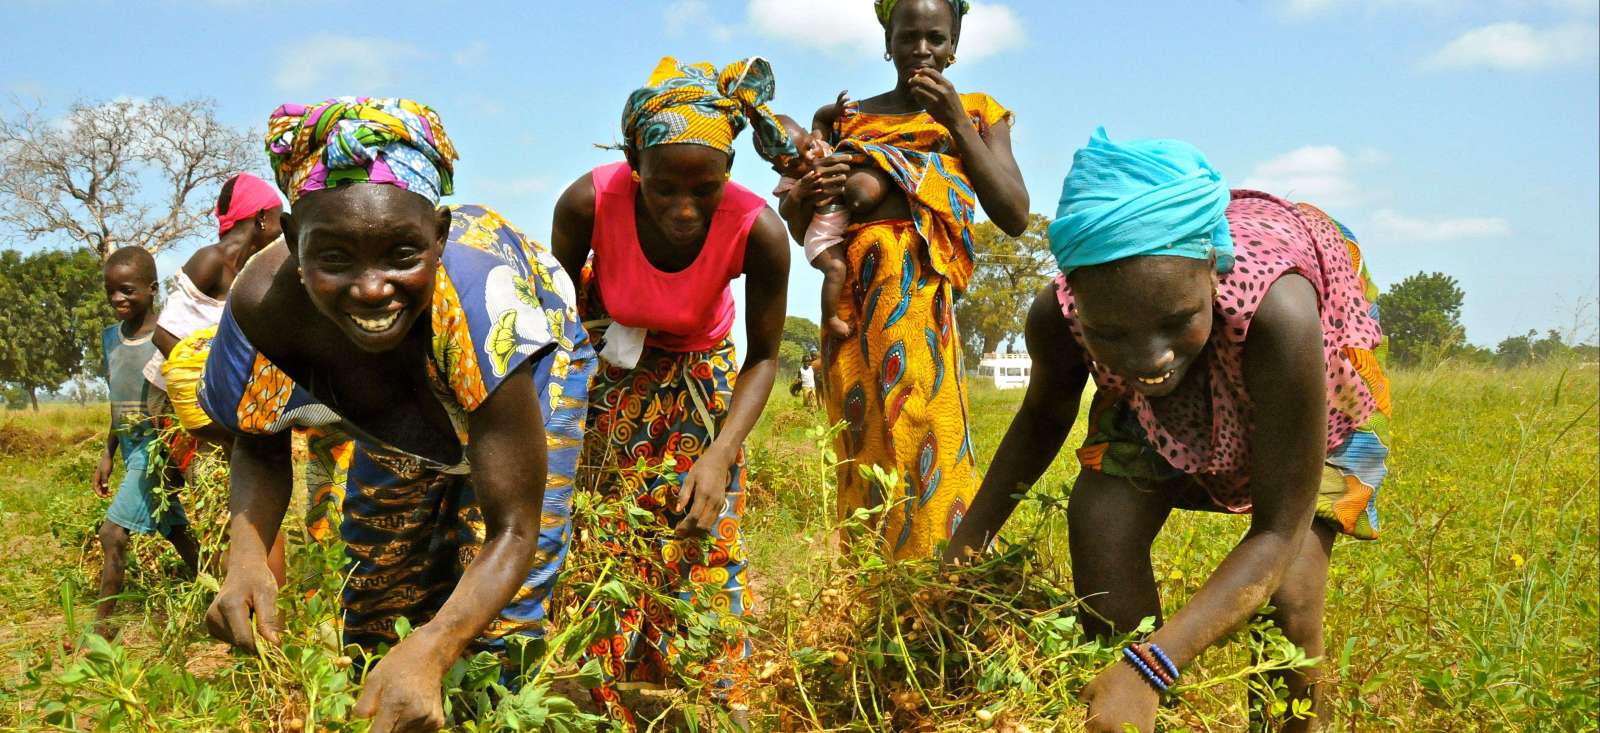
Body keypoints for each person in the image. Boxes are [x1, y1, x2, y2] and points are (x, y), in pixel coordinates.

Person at [946, 128, 1391, 733]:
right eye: (1112, 335)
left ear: (1212, 269)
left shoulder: (1280, 315)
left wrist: (1152, 665)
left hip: (1309, 403)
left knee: (1289, 600)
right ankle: (1130, 709)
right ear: (1077, 298)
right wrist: (965, 547)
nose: (1148, 356)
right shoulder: (1064, 315)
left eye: (1174, 321)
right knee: (1100, 523)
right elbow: (1043, 417)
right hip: (1159, 417)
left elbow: (1279, 529)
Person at [199, 97, 594, 733]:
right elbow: (257, 437)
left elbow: (514, 530)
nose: (372, 288)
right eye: (334, 260)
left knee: (499, 626)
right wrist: (244, 557)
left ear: (438, 237)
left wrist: (436, 647)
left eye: (402, 256)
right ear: (295, 240)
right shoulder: (260, 311)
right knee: (381, 592)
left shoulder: (482, 306)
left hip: (518, 373)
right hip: (393, 403)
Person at [549, 56, 792, 728]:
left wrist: (719, 454)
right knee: (605, 536)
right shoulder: (587, 203)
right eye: (664, 190)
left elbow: (765, 356)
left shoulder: (758, 228)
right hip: (613, 371)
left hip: (701, 378)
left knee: (697, 530)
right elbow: (558, 321)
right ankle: (595, 697)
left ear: (729, 174)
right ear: (634, 163)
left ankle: (704, 700)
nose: (686, 210)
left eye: (705, 189)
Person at [782, 0, 1029, 559]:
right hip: (851, 309)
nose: (922, 51)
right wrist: (813, 190)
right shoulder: (846, 123)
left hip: (921, 310)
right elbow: (803, 227)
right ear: (886, 40)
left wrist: (957, 125)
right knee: (863, 458)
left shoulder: (979, 114)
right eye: (909, 37)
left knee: (931, 440)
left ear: (956, 41)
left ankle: (943, 588)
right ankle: (871, 605)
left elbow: (1014, 213)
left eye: (936, 39)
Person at [92, 246, 199, 638]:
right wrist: (108, 451)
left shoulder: (165, 338)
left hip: (159, 449)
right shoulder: (110, 339)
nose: (118, 299)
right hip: (131, 448)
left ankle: (101, 635)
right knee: (177, 532)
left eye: (127, 290)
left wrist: (179, 457)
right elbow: (116, 400)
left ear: (152, 289)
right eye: (111, 292)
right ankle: (220, 590)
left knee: (113, 533)